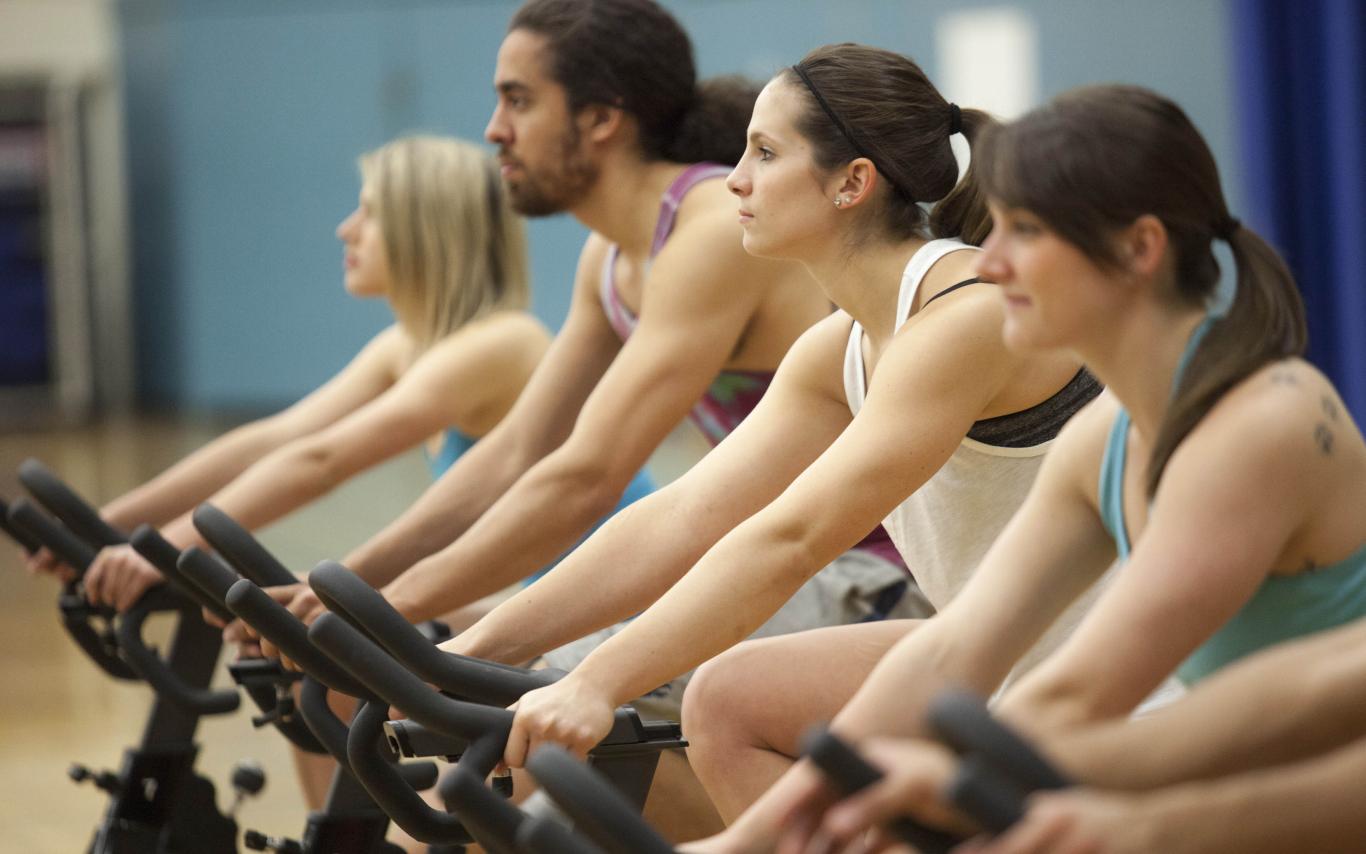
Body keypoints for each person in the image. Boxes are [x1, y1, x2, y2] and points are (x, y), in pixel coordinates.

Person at [432, 41, 1096, 831]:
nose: (734, 179)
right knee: (732, 697)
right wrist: (469, 652)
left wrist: (596, 681)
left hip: (1108, 674)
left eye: (765, 152)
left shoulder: (964, 317)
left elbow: (792, 537)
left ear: (853, 183)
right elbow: (685, 515)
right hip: (995, 653)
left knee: (717, 700)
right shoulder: (840, 345)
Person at [700, 82, 1366, 852]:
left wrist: (949, 786)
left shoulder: (1260, 426)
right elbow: (960, 649)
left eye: (1026, 231)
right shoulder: (1104, 437)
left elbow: (1086, 695)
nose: (993, 261)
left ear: (1138, 249)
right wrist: (752, 838)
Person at [25, 136, 565, 617]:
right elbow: (278, 439)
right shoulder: (405, 348)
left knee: (331, 667)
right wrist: (108, 522)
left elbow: (324, 461)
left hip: (601, 610)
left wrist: (164, 547)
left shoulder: (501, 342)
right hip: (542, 596)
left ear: (426, 230)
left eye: (370, 214)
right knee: (310, 651)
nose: (346, 229)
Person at [797, 616, 1366, 853]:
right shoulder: (1098, 439)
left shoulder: (1264, 423)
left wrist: (1143, 829)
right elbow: (1319, 687)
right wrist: (1003, 776)